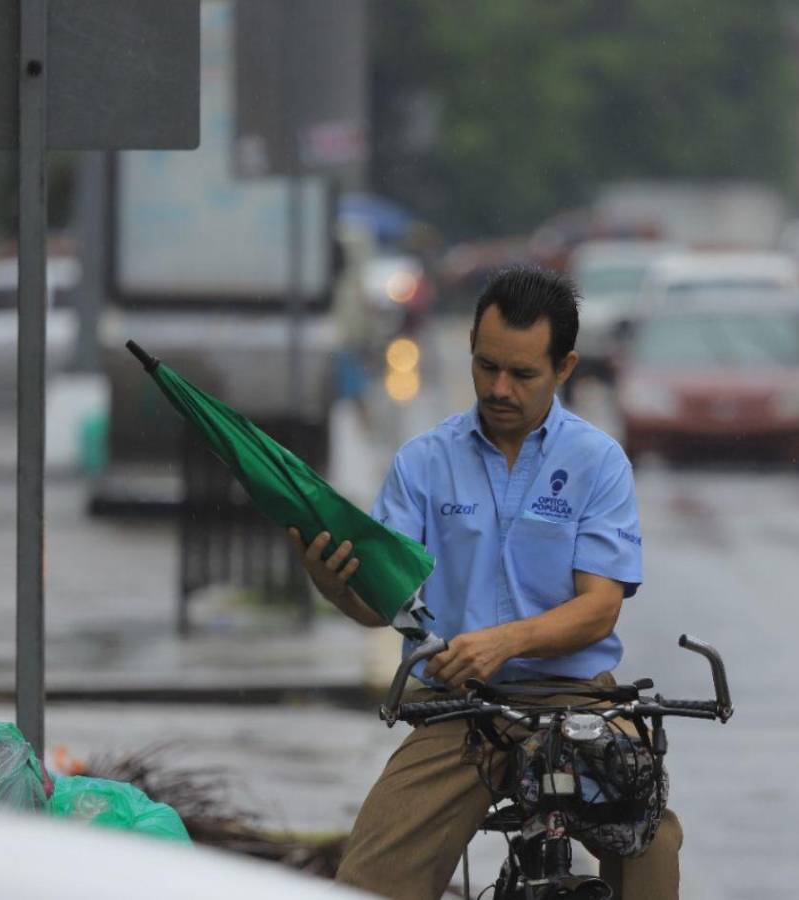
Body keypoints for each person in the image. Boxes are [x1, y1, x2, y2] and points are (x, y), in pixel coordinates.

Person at [289, 266, 682, 900]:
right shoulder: (423, 462)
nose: (499, 388)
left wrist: (503, 641)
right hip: (456, 709)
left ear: (565, 367)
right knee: (368, 877)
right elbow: (378, 605)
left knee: (651, 840)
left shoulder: (598, 462)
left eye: (522, 374)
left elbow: (599, 610)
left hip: (575, 700)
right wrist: (332, 581)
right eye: (485, 366)